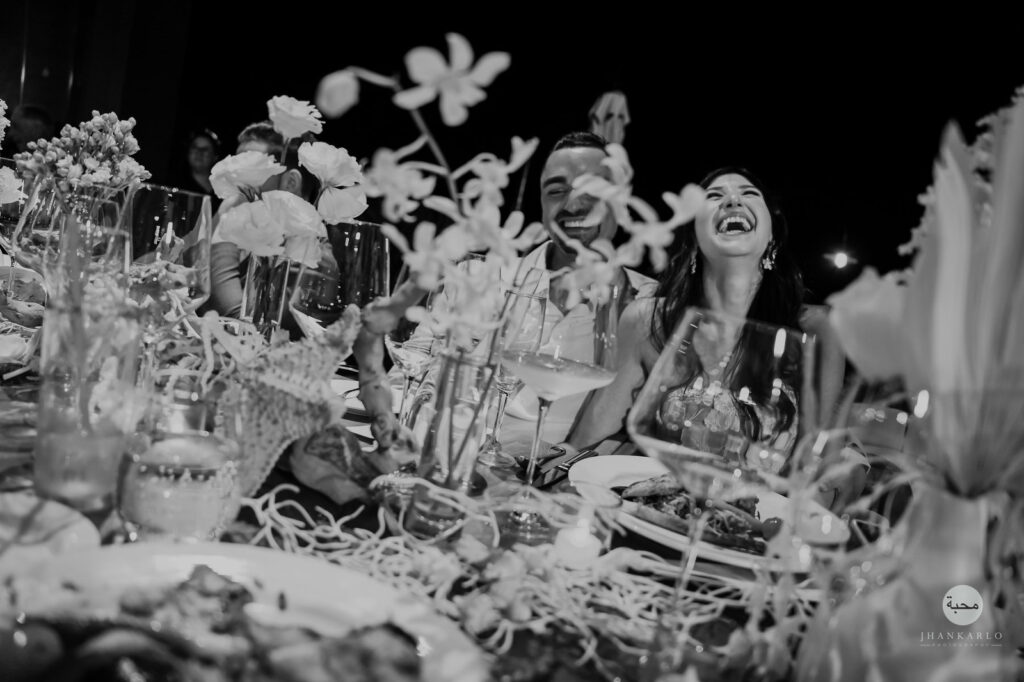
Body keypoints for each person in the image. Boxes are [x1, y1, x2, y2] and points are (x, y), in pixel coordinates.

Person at [561, 167, 858, 506]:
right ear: (694, 237)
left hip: (753, 521)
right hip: (656, 510)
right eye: (714, 197)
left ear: (772, 237)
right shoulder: (648, 320)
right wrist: (549, 484)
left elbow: (818, 464)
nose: (733, 201)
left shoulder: (816, 330)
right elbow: (591, 433)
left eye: (749, 194)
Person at [208, 122, 319, 317]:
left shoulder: (317, 253)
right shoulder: (240, 218)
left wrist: (228, 222)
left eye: (249, 169)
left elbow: (242, 317)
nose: (235, 179)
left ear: (291, 183)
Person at [175, 129, 222, 207]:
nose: (199, 152)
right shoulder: (176, 187)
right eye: (194, 147)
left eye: (205, 149)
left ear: (215, 156)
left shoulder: (224, 189)